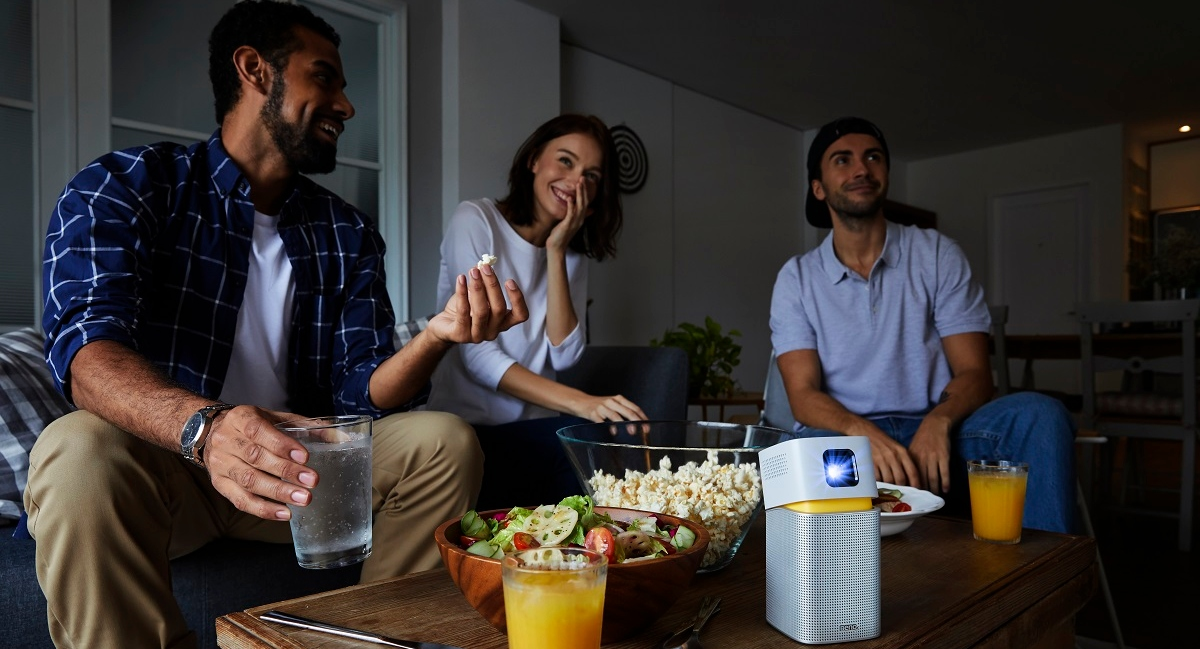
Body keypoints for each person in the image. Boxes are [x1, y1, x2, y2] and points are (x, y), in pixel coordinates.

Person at [23, 2, 528, 648]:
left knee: (444, 441)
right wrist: (208, 431)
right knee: (74, 451)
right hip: (166, 466)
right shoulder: (125, 187)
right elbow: (87, 355)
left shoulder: (345, 232)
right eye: (327, 79)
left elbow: (361, 395)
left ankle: (358, 640)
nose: (345, 105)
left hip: (301, 470)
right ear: (254, 70)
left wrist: (437, 335)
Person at [768, 116, 1075, 533]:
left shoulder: (936, 253)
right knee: (796, 448)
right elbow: (802, 395)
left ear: (886, 174)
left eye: (873, 157)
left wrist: (940, 421)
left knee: (1039, 413)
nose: (861, 169)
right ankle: (833, 585)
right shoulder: (797, 277)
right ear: (818, 187)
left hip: (943, 432)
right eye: (843, 160)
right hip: (848, 440)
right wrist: (862, 435)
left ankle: (1043, 585)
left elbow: (974, 373)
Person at [426, 114, 646, 509]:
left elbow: (565, 353)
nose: (577, 181)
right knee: (584, 443)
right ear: (533, 161)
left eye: (591, 175)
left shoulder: (572, 257)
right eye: (565, 161)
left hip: (535, 429)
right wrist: (582, 402)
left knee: (609, 444)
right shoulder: (475, 219)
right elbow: (477, 354)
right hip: (468, 431)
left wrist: (557, 250)